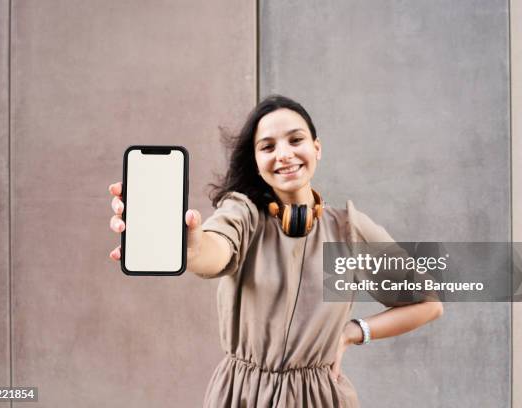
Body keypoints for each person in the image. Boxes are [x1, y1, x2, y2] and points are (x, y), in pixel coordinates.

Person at [108, 95, 443, 407]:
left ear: (317, 148)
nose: (283, 154)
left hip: (321, 398)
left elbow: (428, 303)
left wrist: (353, 333)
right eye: (267, 146)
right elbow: (216, 252)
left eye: (295, 140)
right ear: (256, 162)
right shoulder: (242, 214)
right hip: (241, 396)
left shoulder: (348, 230)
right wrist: (190, 245)